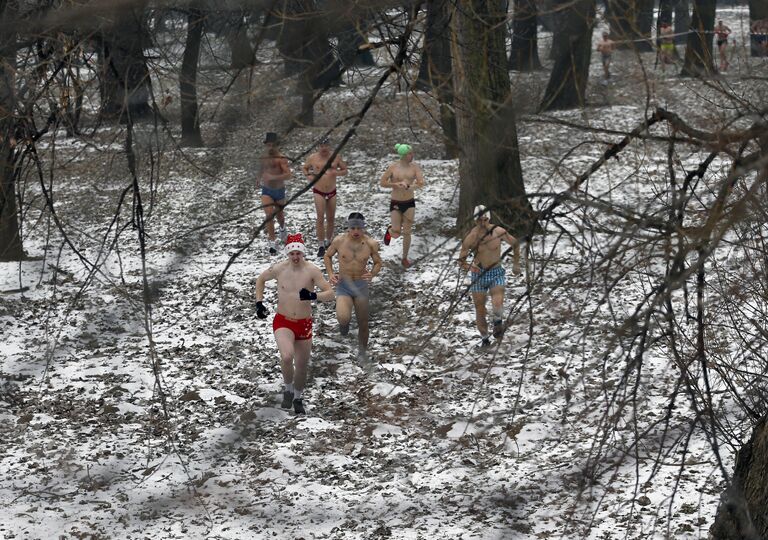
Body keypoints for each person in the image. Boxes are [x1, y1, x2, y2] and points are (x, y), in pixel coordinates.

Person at [254, 233, 334, 414]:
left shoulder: (312, 270)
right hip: (283, 321)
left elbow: (330, 293)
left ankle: (298, 397)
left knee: (302, 364)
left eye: (298, 253)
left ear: (303, 253)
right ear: (287, 254)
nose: (295, 257)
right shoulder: (279, 268)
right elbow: (260, 280)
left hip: (304, 323)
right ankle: (288, 389)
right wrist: (259, 303)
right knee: (287, 356)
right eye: (292, 254)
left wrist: (313, 296)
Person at [458, 205, 521, 349]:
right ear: (475, 220)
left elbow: (515, 243)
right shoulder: (471, 237)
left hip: (496, 272)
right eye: (479, 220)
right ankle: (485, 339)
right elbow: (461, 260)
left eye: (485, 219)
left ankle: (498, 322)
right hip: (478, 275)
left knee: (497, 303)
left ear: (489, 218)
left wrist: (516, 264)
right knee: (480, 309)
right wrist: (469, 266)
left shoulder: (498, 232)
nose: (482, 223)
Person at [323, 212, 382, 362]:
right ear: (348, 228)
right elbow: (327, 256)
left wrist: (372, 273)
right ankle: (344, 325)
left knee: (363, 322)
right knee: (343, 317)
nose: (356, 231)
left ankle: (362, 352)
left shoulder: (370, 243)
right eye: (353, 228)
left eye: (359, 228)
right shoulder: (339, 241)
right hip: (344, 285)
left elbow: (378, 262)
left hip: (361, 285)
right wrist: (330, 273)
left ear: (363, 228)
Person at [379, 143, 425, 268]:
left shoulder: (415, 167)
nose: (412, 155)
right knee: (396, 233)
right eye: (410, 153)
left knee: (407, 232)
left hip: (409, 202)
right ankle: (390, 231)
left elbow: (421, 183)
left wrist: (410, 186)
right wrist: (396, 184)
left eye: (412, 153)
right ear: (403, 155)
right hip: (396, 202)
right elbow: (382, 182)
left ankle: (404, 257)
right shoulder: (393, 167)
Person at [301, 137, 348, 258]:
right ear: (318, 147)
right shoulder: (313, 157)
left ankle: (328, 240)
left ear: (329, 146)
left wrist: (336, 173)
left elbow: (345, 170)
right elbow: (304, 167)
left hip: (332, 191)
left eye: (326, 146)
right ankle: (321, 245)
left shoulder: (335, 156)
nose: (324, 148)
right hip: (319, 191)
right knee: (320, 218)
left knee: (331, 218)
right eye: (322, 146)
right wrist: (308, 176)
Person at [257, 132, 291, 255]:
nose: (270, 147)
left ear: (277, 145)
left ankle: (282, 228)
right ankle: (272, 242)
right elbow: (261, 168)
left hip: (279, 191)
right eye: (268, 145)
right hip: (266, 190)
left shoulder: (281, 159)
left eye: (273, 145)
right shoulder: (263, 157)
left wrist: (273, 177)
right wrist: (258, 178)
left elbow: (288, 175)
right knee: (269, 215)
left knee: (280, 216)